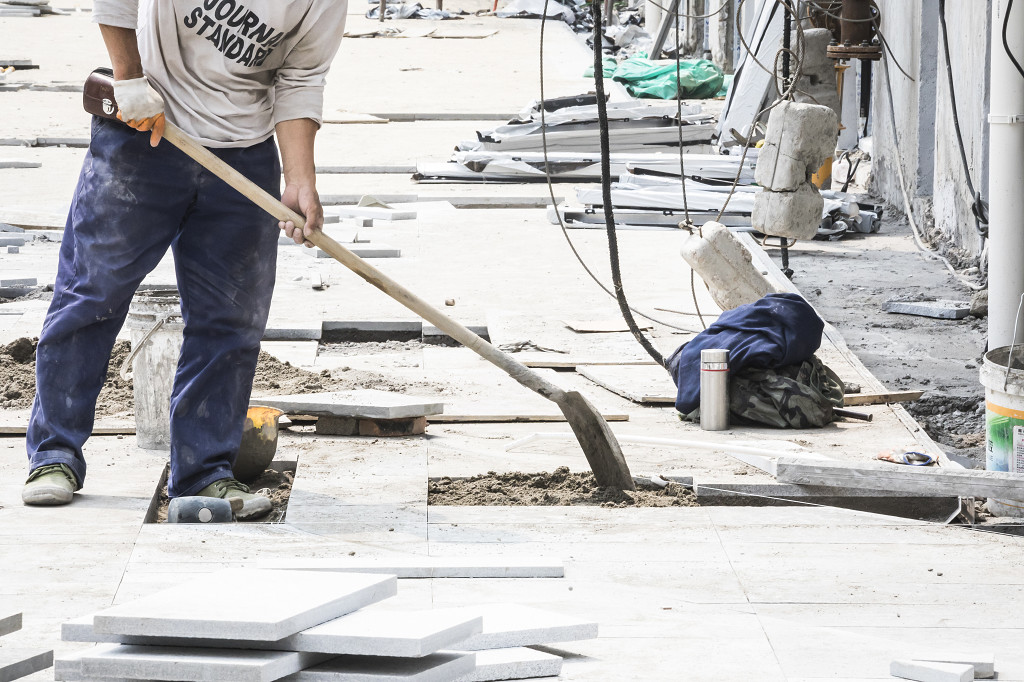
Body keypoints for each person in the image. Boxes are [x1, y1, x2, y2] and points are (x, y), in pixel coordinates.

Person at [21, 0, 347, 519]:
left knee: (231, 321)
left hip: (243, 152)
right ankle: (54, 454)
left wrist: (299, 180)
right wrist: (128, 80)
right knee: (92, 294)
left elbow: (301, 78)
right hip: (144, 130)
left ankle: (202, 473)